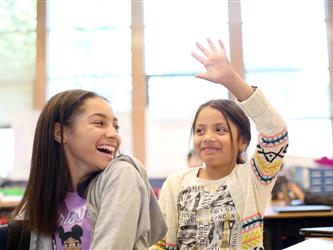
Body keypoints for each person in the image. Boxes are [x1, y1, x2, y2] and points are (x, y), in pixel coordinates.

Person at [152, 38, 289, 250]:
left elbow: (276, 134)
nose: (207, 137)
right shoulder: (176, 181)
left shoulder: (252, 178)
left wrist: (232, 80)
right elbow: (159, 242)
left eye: (220, 130)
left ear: (242, 141)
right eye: (200, 130)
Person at [12, 90, 167, 249]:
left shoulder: (122, 174)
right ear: (60, 133)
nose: (114, 134)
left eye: (116, 126)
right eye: (99, 123)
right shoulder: (40, 199)